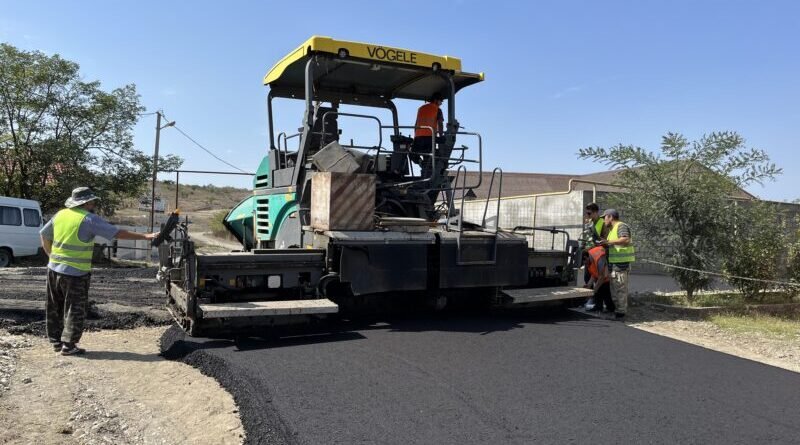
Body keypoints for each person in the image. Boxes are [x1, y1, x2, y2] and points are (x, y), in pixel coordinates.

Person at [39, 187, 158, 355]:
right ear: (87, 202)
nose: (94, 203)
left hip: (53, 269)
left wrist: (51, 256)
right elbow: (117, 233)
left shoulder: (61, 214)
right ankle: (69, 345)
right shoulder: (88, 219)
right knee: (75, 308)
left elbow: (44, 235)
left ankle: (56, 342)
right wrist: (146, 236)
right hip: (75, 273)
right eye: (92, 201)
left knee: (54, 306)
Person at [599, 209, 635, 320]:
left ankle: (621, 314)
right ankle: (618, 312)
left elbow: (625, 239)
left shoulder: (621, 226)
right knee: (615, 290)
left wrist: (608, 242)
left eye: (605, 218)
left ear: (610, 217)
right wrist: (605, 244)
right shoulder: (612, 230)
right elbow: (614, 244)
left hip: (621, 265)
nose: (604, 220)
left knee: (620, 290)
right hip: (614, 265)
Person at [412, 92, 444, 178]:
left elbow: (416, 124)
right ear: (436, 100)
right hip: (429, 138)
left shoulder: (421, 108)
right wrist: (441, 137)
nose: (441, 104)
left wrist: (415, 137)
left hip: (418, 137)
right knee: (430, 158)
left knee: (413, 154)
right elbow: (440, 124)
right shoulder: (437, 110)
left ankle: (420, 163)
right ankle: (428, 175)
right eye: (441, 101)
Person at [582, 246, 614, 313]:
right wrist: (588, 285)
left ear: (586, 258)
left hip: (607, 270)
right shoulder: (589, 259)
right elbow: (594, 274)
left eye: (585, 263)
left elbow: (602, 277)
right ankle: (598, 307)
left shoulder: (599, 259)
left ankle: (611, 308)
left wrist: (594, 290)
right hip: (601, 273)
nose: (585, 265)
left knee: (604, 288)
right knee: (598, 288)